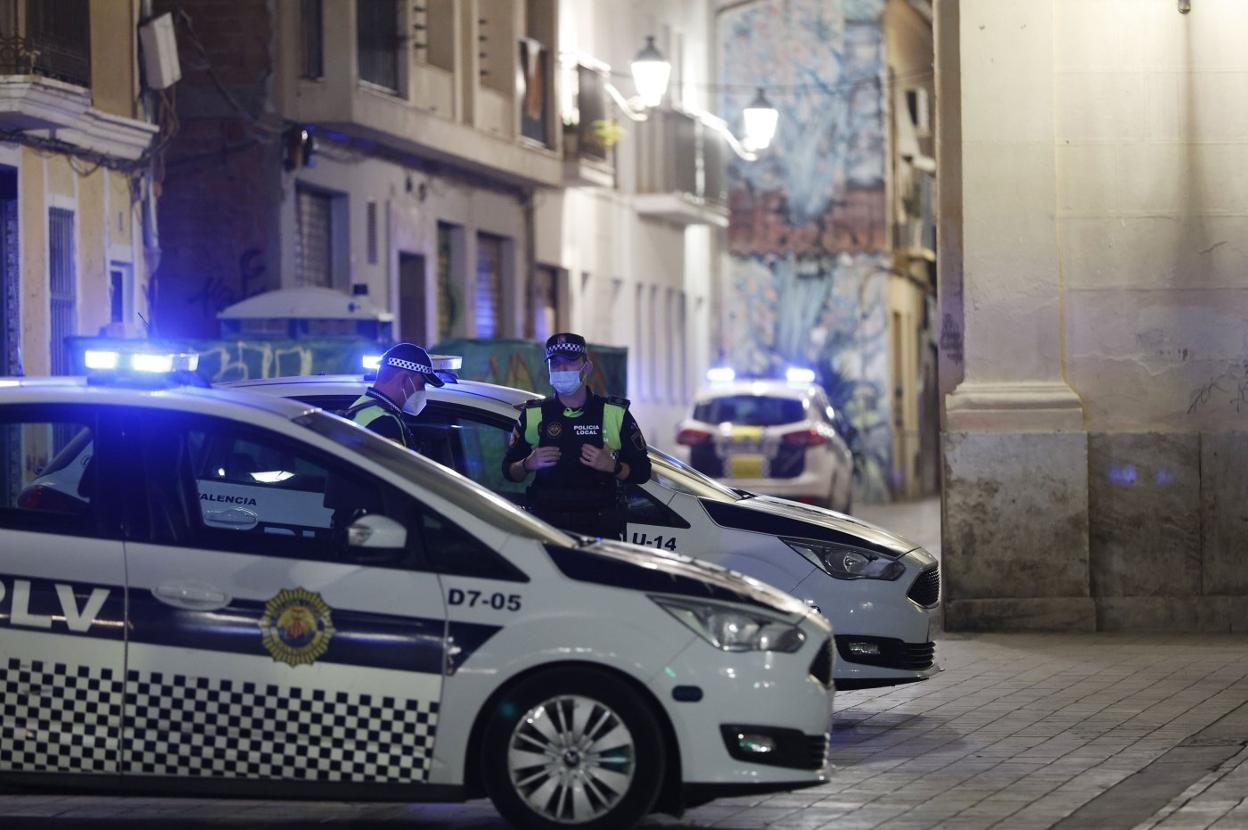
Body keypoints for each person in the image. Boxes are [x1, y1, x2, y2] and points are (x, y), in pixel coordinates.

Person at [501, 333, 652, 539]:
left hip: (600, 531)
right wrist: (528, 463)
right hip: (547, 531)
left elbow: (642, 472)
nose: (561, 370)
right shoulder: (534, 413)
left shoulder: (614, 413)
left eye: (569, 362)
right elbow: (509, 471)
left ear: (587, 367)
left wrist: (613, 467)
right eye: (555, 364)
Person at [342, 343, 444, 449]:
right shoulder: (385, 424)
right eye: (421, 384)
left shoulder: (359, 406)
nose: (422, 391)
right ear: (404, 380)